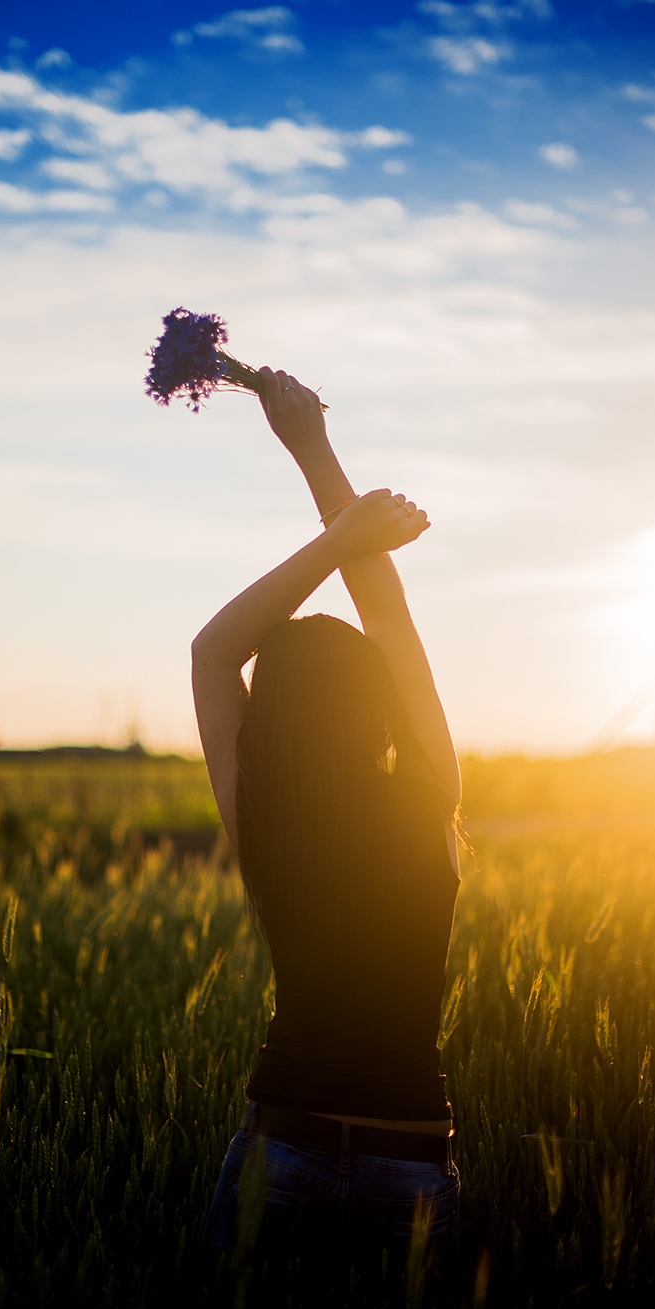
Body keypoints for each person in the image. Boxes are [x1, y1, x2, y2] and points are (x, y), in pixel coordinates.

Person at [192, 366, 462, 1261]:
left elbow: (212, 649)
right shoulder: (431, 798)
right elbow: (387, 617)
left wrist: (333, 531)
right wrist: (316, 454)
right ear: (376, 711)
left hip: (280, 1146)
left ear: (270, 716)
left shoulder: (259, 817)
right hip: (413, 1164)